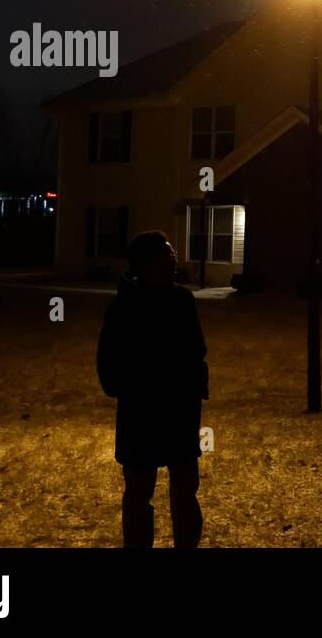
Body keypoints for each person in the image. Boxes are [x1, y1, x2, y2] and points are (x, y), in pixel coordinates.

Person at [97, 230, 210, 548]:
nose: (174, 262)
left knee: (185, 487)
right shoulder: (123, 308)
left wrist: (193, 388)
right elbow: (108, 365)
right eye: (166, 256)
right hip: (141, 414)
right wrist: (134, 390)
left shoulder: (181, 301)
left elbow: (197, 350)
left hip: (179, 411)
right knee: (138, 491)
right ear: (145, 265)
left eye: (173, 256)